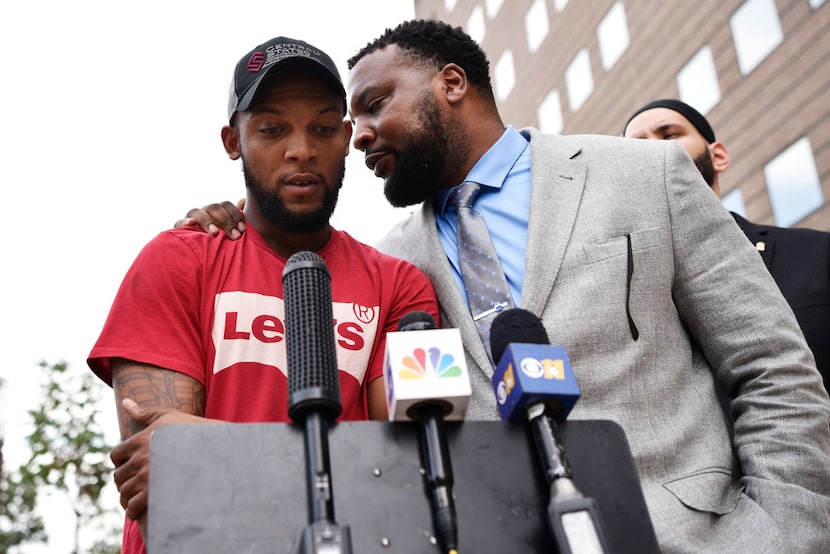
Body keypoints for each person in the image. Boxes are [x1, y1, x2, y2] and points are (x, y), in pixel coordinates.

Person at [179, 20, 830, 553]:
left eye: (375, 105)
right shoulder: (393, 264)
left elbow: (773, 369)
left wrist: (774, 535)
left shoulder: (646, 176)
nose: (361, 135)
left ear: (452, 83)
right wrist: (229, 224)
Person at [87, 36, 439, 554]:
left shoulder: (401, 286)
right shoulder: (177, 259)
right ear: (234, 141)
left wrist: (215, 451)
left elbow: (409, 464)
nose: (301, 149)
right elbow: (160, 476)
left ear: (345, 137)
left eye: (322, 128)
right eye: (273, 129)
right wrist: (324, 464)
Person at [623, 98, 830, 393]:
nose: (655, 149)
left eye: (669, 135)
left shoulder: (817, 254)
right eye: (637, 146)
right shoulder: (630, 297)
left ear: (718, 156)